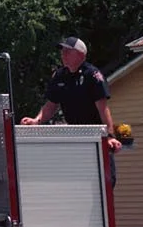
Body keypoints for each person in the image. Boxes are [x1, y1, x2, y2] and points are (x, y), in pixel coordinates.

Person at [23, 35, 124, 178]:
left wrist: (109, 136)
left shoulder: (92, 75)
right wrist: (36, 121)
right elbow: (51, 105)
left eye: (68, 51)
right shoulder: (59, 76)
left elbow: (103, 109)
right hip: (74, 137)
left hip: (95, 137)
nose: (63, 55)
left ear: (81, 54)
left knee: (104, 182)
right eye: (62, 51)